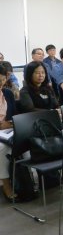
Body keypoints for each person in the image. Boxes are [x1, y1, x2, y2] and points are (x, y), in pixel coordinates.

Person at [0, 64, 16, 201]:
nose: (0, 83)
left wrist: (9, 123)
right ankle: (6, 184)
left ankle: (24, 180)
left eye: (2, 80)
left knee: (26, 142)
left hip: (8, 130)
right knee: (2, 148)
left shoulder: (8, 93)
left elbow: (15, 116)